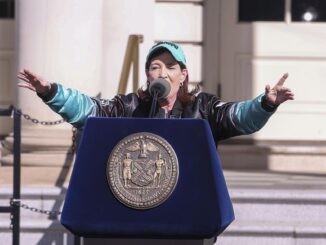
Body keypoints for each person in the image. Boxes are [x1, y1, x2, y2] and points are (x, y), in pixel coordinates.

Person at [17, 41, 294, 144]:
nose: (161, 73)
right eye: (155, 67)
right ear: (147, 75)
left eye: (170, 67)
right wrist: (51, 91)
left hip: (187, 205)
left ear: (183, 75)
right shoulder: (129, 106)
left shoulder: (204, 108)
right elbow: (91, 110)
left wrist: (265, 104)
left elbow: (238, 116)